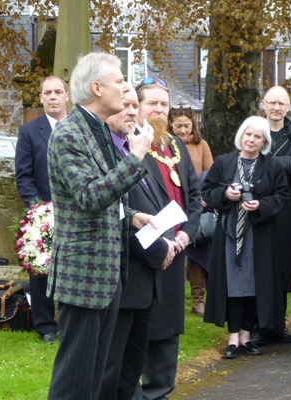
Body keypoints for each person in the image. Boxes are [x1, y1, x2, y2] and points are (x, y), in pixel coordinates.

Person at [46, 52, 156, 400]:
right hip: (83, 276)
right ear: (97, 88)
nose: (126, 88)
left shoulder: (99, 132)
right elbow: (89, 196)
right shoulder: (68, 134)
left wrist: (129, 217)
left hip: (108, 277)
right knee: (74, 380)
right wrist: (136, 157)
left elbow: (106, 198)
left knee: (94, 380)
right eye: (120, 81)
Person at [100, 86, 178, 400]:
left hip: (145, 282)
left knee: (130, 373)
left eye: (135, 105)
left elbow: (151, 206)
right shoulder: (111, 153)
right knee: (112, 370)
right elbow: (118, 212)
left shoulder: (139, 150)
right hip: (124, 276)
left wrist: (169, 241)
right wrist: (160, 249)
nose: (132, 111)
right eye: (125, 105)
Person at [134, 78, 202, 400]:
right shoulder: (129, 145)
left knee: (167, 335)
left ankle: (160, 392)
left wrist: (187, 234)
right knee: (140, 335)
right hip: (145, 253)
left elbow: (194, 196)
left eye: (164, 104)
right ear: (137, 106)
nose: (160, 110)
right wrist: (163, 242)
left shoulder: (176, 146)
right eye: (152, 103)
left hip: (178, 251)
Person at [202, 116, 289, 359]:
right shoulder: (224, 162)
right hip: (230, 233)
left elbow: (282, 196)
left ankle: (247, 336)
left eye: (257, 136)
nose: (251, 140)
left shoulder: (272, 166)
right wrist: (225, 193)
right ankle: (232, 339)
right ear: (241, 135)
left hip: (258, 235)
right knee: (232, 284)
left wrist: (261, 204)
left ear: (264, 141)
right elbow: (207, 190)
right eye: (248, 134)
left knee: (253, 284)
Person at [14, 75, 67, 345]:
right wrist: (38, 211)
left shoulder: (78, 128)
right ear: (41, 97)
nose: (53, 96)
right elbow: (23, 175)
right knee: (41, 269)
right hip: (43, 212)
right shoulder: (29, 131)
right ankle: (45, 325)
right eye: (48, 92)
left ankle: (71, 321)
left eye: (58, 91)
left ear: (67, 96)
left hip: (76, 210)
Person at [259, 86, 291, 343]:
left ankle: (277, 325)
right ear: (263, 104)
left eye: (282, 103)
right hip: (259, 206)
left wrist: (264, 164)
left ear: (289, 107)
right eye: (272, 102)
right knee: (259, 265)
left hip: (287, 208)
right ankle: (258, 325)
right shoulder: (253, 130)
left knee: (283, 268)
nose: (277, 107)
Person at [168, 105, 213, 317]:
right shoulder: (165, 144)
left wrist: (202, 197)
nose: (183, 130)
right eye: (179, 126)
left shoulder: (201, 145)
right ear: (170, 125)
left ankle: (198, 300)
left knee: (197, 251)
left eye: (187, 126)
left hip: (197, 204)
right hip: (173, 204)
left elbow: (210, 174)